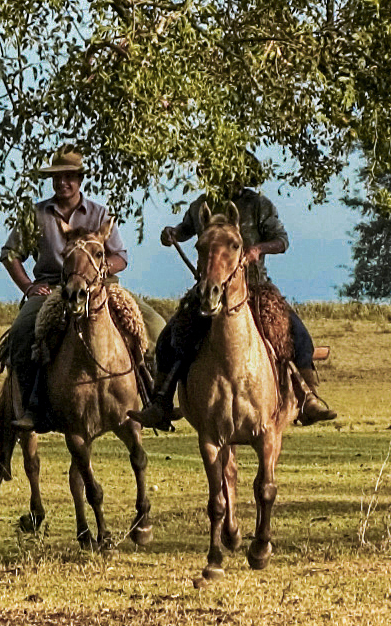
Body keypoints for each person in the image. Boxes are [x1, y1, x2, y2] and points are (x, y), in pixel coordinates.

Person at [138, 162, 336, 428]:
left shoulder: (259, 206)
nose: (224, 177)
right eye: (217, 172)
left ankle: (307, 398)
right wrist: (172, 234)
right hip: (208, 289)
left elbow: (281, 240)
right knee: (170, 339)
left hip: (255, 288)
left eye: (229, 171)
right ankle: (160, 401)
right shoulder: (200, 206)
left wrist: (257, 250)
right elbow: (185, 231)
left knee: (297, 334)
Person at [0, 145, 132, 431]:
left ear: (80, 179)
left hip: (99, 286)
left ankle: (152, 397)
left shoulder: (99, 213)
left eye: (69, 176)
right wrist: (29, 287)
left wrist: (102, 269)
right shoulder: (37, 214)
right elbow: (10, 254)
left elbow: (120, 256)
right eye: (57, 178)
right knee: (23, 332)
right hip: (52, 288)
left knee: (150, 325)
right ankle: (33, 406)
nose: (62, 183)